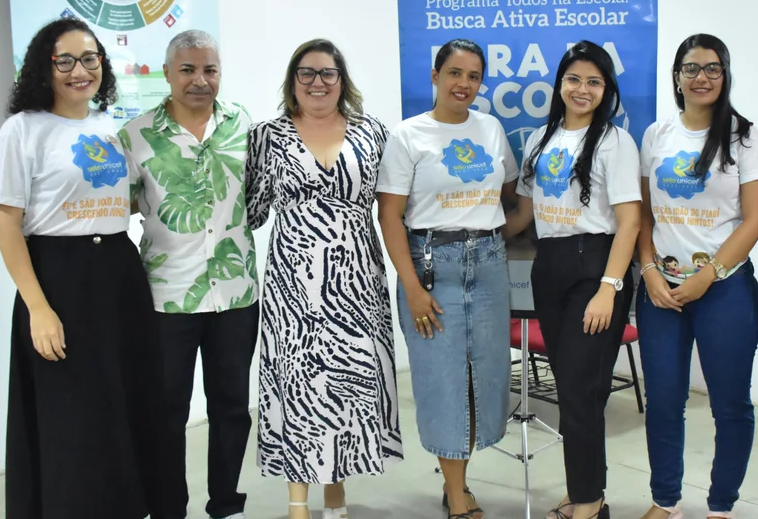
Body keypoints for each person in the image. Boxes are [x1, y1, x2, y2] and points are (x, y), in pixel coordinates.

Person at [0, 17, 165, 519]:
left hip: (117, 272)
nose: (79, 70)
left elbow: (122, 200)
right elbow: (7, 221)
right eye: (64, 60)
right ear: (43, 67)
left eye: (89, 59)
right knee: (72, 416)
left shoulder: (109, 128)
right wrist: (38, 308)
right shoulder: (22, 129)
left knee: (124, 406)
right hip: (58, 279)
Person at [245, 39, 402, 519]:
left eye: (328, 73)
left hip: (358, 281)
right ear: (293, 81)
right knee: (297, 386)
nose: (317, 82)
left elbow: (392, 206)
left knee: (348, 384)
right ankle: (298, 505)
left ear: (342, 79)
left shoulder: (372, 132)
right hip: (293, 283)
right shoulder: (266, 135)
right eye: (307, 73)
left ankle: (335, 497)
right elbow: (252, 211)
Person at [119, 29, 259, 519]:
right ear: (167, 73)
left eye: (210, 70)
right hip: (166, 298)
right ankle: (167, 508)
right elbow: (123, 208)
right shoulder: (136, 135)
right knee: (165, 413)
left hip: (236, 295)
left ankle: (226, 505)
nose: (200, 80)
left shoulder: (242, 124)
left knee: (231, 411)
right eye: (188, 70)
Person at [635, 34, 758, 519]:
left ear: (725, 75)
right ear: (677, 78)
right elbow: (644, 215)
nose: (702, 77)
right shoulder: (656, 135)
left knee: (730, 403)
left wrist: (708, 276)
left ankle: (721, 506)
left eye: (712, 68)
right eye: (691, 69)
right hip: (661, 290)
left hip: (725, 290)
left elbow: (756, 219)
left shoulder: (746, 137)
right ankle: (664, 500)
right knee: (665, 401)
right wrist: (649, 270)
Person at [377, 38, 514, 519]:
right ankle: (457, 493)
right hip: (432, 267)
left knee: (489, 375)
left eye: (473, 76)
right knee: (441, 380)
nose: (464, 84)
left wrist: (495, 235)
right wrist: (412, 288)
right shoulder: (408, 135)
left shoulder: (492, 129)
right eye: (454, 73)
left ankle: (462, 477)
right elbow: (390, 217)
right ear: (435, 76)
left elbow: (508, 193)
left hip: (490, 265)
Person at [504, 40, 641, 519]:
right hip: (549, 267)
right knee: (576, 391)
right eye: (574, 79)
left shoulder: (615, 142)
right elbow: (524, 212)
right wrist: (480, 234)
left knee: (581, 392)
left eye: (594, 82)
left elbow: (628, 222)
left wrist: (609, 287)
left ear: (607, 90)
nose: (582, 90)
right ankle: (585, 491)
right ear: (560, 83)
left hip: (594, 268)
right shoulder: (540, 140)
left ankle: (587, 502)